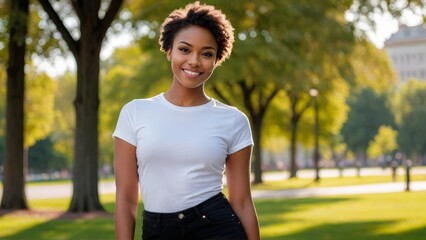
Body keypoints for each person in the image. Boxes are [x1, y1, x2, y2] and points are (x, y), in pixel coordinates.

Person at [113, 2, 260, 239]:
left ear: (216, 60)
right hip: (158, 230)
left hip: (217, 227)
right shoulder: (135, 113)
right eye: (185, 49)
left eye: (206, 54)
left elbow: (242, 201)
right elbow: (125, 199)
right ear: (169, 51)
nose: (194, 61)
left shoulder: (234, 120)